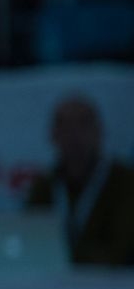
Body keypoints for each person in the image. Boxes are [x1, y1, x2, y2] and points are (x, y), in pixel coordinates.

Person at [26, 94, 134, 267]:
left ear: (99, 131)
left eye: (82, 124)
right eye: (65, 126)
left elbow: (119, 250)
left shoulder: (126, 182)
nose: (73, 135)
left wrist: (63, 255)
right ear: (53, 135)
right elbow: (29, 240)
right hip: (54, 287)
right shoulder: (45, 185)